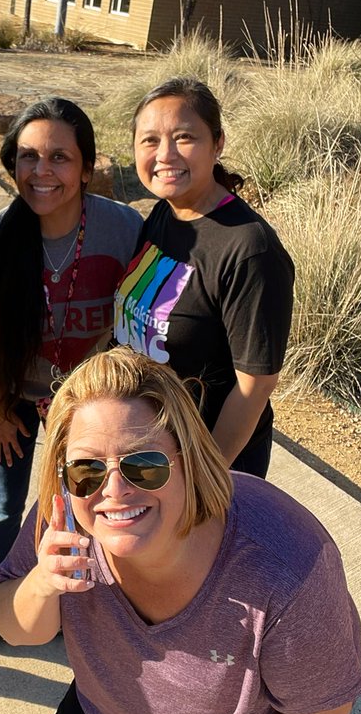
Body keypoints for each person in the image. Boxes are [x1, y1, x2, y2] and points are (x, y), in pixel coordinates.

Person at [0, 347, 361, 714]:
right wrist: (43, 582)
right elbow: (14, 628)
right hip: (109, 707)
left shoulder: (288, 570)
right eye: (86, 469)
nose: (112, 491)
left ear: (189, 458)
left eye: (143, 464)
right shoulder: (67, 520)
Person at [0, 98, 142, 641]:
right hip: (11, 388)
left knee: (79, 498)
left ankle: (71, 592)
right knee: (4, 502)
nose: (42, 172)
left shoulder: (122, 228)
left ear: (87, 167)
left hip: (84, 395)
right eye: (28, 157)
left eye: (59, 158)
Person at [113, 77, 295, 478]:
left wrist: (201, 476)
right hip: (145, 445)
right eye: (149, 140)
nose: (165, 154)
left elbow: (254, 387)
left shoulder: (249, 249)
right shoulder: (165, 212)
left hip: (203, 462)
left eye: (183, 137)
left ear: (218, 143)